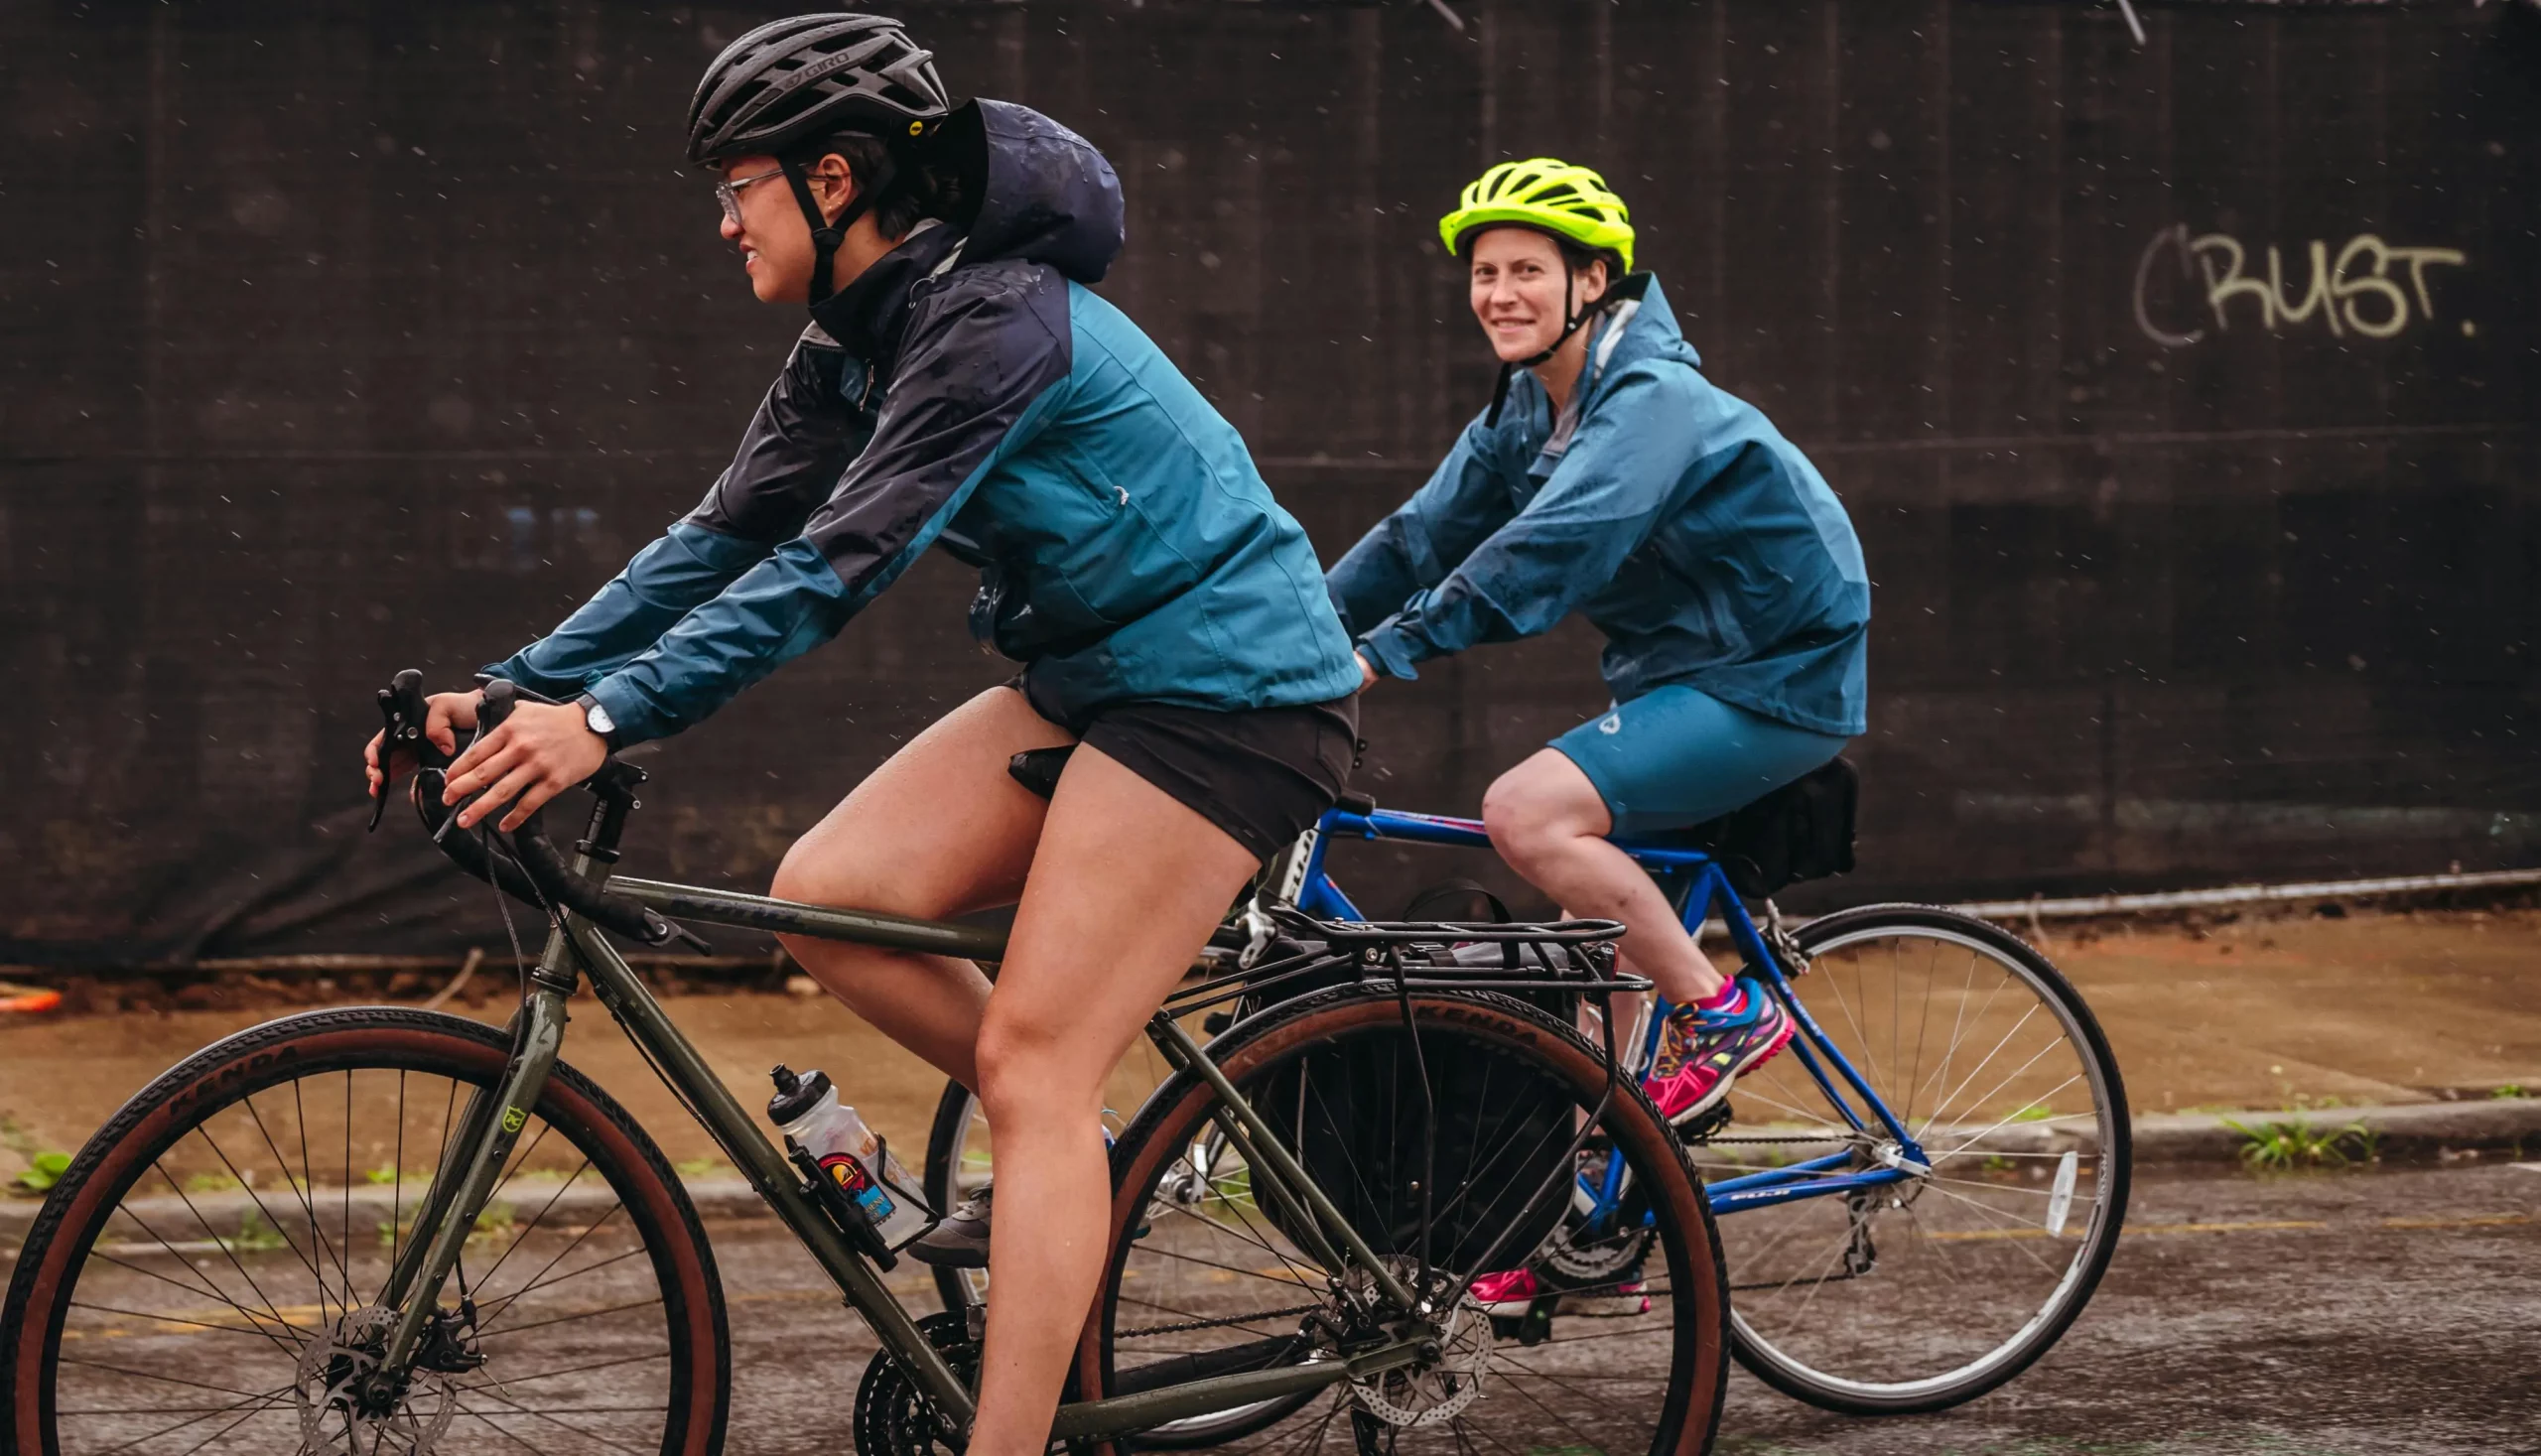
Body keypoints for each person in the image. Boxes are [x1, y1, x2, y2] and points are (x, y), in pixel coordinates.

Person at [364, 15, 1364, 1453]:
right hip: (1098, 675)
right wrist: (511, 682)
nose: (722, 220)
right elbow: (719, 538)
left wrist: (605, 715)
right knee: (829, 899)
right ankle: (1067, 1152)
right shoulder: (851, 336)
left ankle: (1016, 1376)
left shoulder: (992, 317)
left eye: (737, 185)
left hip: (1234, 694)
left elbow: (837, 564)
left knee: (1030, 1057)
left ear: (832, 180)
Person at [1327, 158, 1870, 1143]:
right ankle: (1584, 1223)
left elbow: (1554, 548)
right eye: (1484, 273)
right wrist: (1290, 637)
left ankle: (1724, 1012)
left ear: (1592, 282)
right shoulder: (1525, 406)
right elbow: (1417, 538)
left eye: (1526, 270)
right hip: (1678, 678)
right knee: (1598, 1001)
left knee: (1524, 813)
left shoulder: (1650, 399)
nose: (1498, 295)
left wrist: (1383, 652)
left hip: (1773, 678)